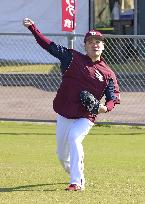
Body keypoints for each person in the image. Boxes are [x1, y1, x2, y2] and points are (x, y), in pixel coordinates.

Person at [23, 18, 120, 191]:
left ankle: (77, 181)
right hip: (65, 112)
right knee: (61, 155)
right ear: (85, 46)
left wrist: (106, 108)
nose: (94, 45)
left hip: (85, 116)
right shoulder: (72, 58)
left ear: (103, 46)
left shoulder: (108, 74)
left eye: (98, 42)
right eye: (90, 42)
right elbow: (49, 46)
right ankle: (72, 171)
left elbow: (113, 97)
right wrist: (33, 28)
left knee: (74, 138)